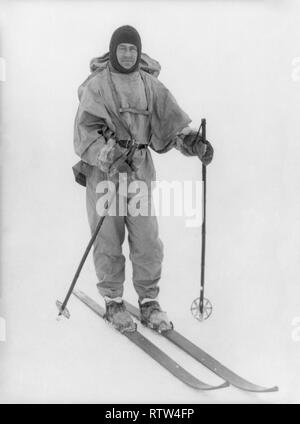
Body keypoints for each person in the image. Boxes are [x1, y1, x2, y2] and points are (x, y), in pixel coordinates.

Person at [73, 25, 213, 333]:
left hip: (138, 170)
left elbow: (171, 123)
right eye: (121, 48)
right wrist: (107, 154)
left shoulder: (150, 85)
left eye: (132, 49)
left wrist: (192, 142)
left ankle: (149, 302)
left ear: (139, 52)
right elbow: (84, 132)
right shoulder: (97, 86)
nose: (127, 54)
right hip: (106, 173)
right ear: (113, 51)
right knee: (108, 236)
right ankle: (113, 301)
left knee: (147, 239)